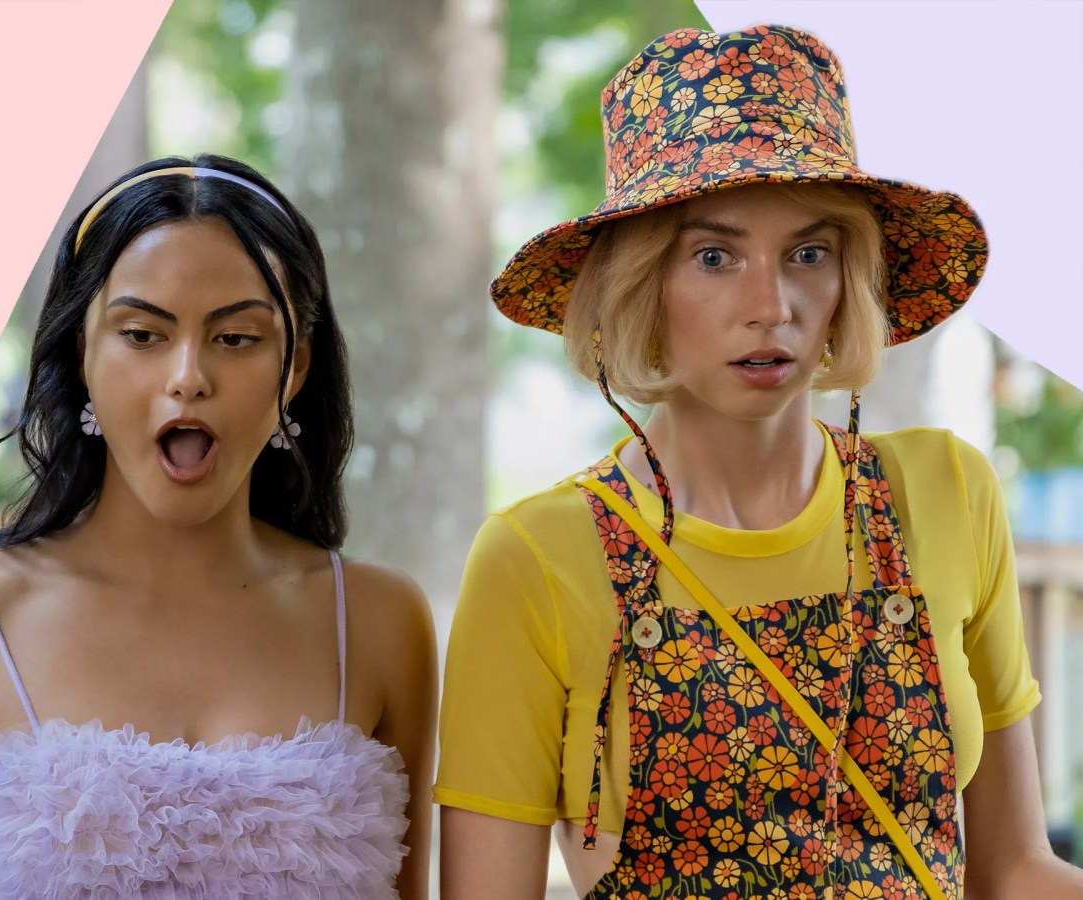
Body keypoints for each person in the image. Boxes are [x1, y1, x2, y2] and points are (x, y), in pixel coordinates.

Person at [436, 24, 1083, 900]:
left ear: (848, 278)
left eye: (808, 254)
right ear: (640, 287)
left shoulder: (947, 489)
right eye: (715, 257)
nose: (770, 305)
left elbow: (1012, 871)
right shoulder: (538, 559)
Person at [0, 155, 437, 899]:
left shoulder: (376, 622)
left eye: (236, 338)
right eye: (142, 334)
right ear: (81, 351)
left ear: (294, 369)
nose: (188, 376)